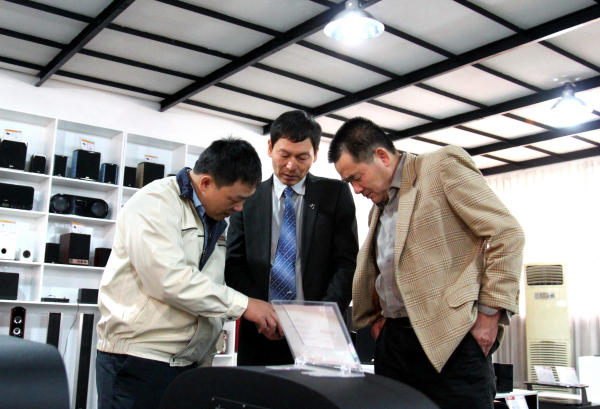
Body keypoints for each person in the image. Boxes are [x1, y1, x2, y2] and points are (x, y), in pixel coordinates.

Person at [328, 117, 525, 409]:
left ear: (382, 156)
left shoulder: (440, 166)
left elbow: (506, 234)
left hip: (451, 342)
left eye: (357, 177)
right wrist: (380, 319)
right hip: (395, 345)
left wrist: (489, 315)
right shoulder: (378, 209)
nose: (356, 189)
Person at [96, 138, 281, 409]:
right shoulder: (155, 203)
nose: (240, 208)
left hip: (189, 363)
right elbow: (169, 281)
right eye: (235, 199)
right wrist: (245, 306)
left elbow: (208, 284)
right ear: (205, 183)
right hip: (141, 361)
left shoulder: (214, 220)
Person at [225, 110, 359, 366]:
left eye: (302, 157)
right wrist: (259, 311)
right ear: (270, 148)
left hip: (318, 333)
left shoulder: (335, 195)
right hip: (260, 330)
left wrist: (319, 318)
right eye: (284, 155)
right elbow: (234, 263)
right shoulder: (249, 197)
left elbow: (346, 264)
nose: (291, 166)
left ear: (315, 154)